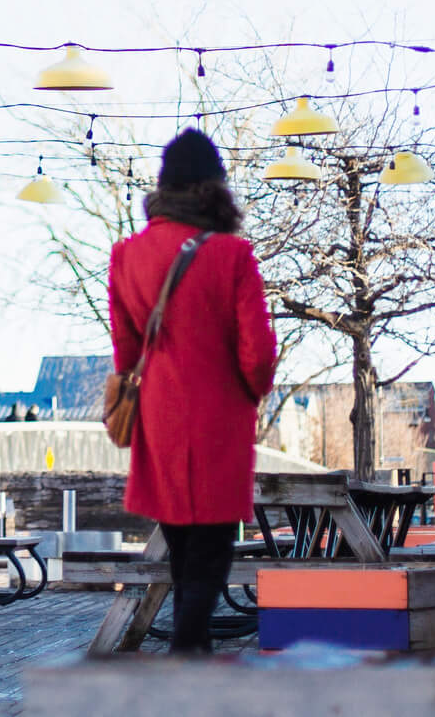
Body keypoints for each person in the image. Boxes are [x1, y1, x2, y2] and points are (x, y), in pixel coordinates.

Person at [108, 127, 278, 653]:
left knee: (182, 551)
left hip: (159, 418)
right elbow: (258, 354)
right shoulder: (232, 255)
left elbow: (125, 351)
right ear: (214, 187)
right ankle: (186, 657)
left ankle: (193, 653)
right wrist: (252, 391)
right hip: (217, 419)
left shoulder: (126, 255)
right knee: (211, 551)